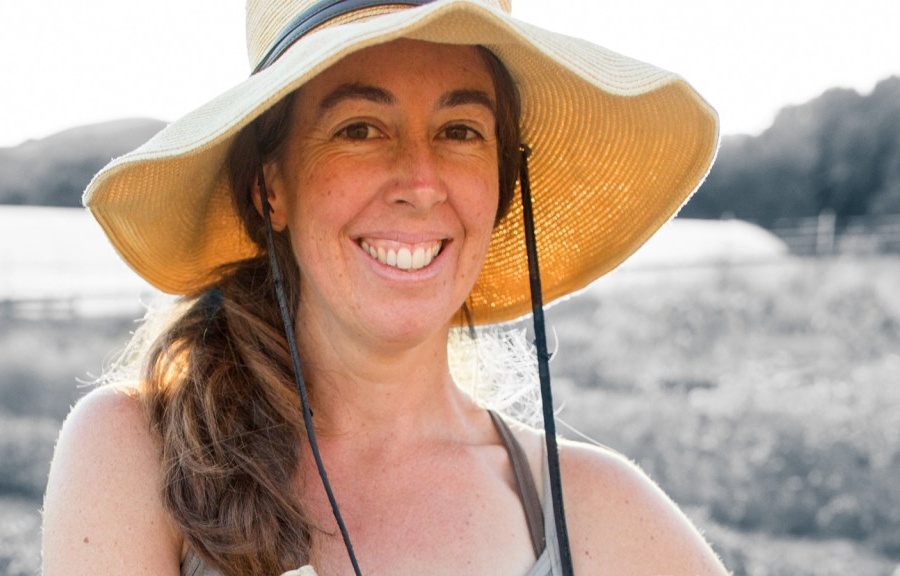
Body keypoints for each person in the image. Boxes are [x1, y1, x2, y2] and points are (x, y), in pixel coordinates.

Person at [42, 1, 727, 575]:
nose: (421, 184)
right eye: (360, 129)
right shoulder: (141, 454)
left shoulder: (595, 513)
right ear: (270, 186)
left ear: (501, 184)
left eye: (460, 131)